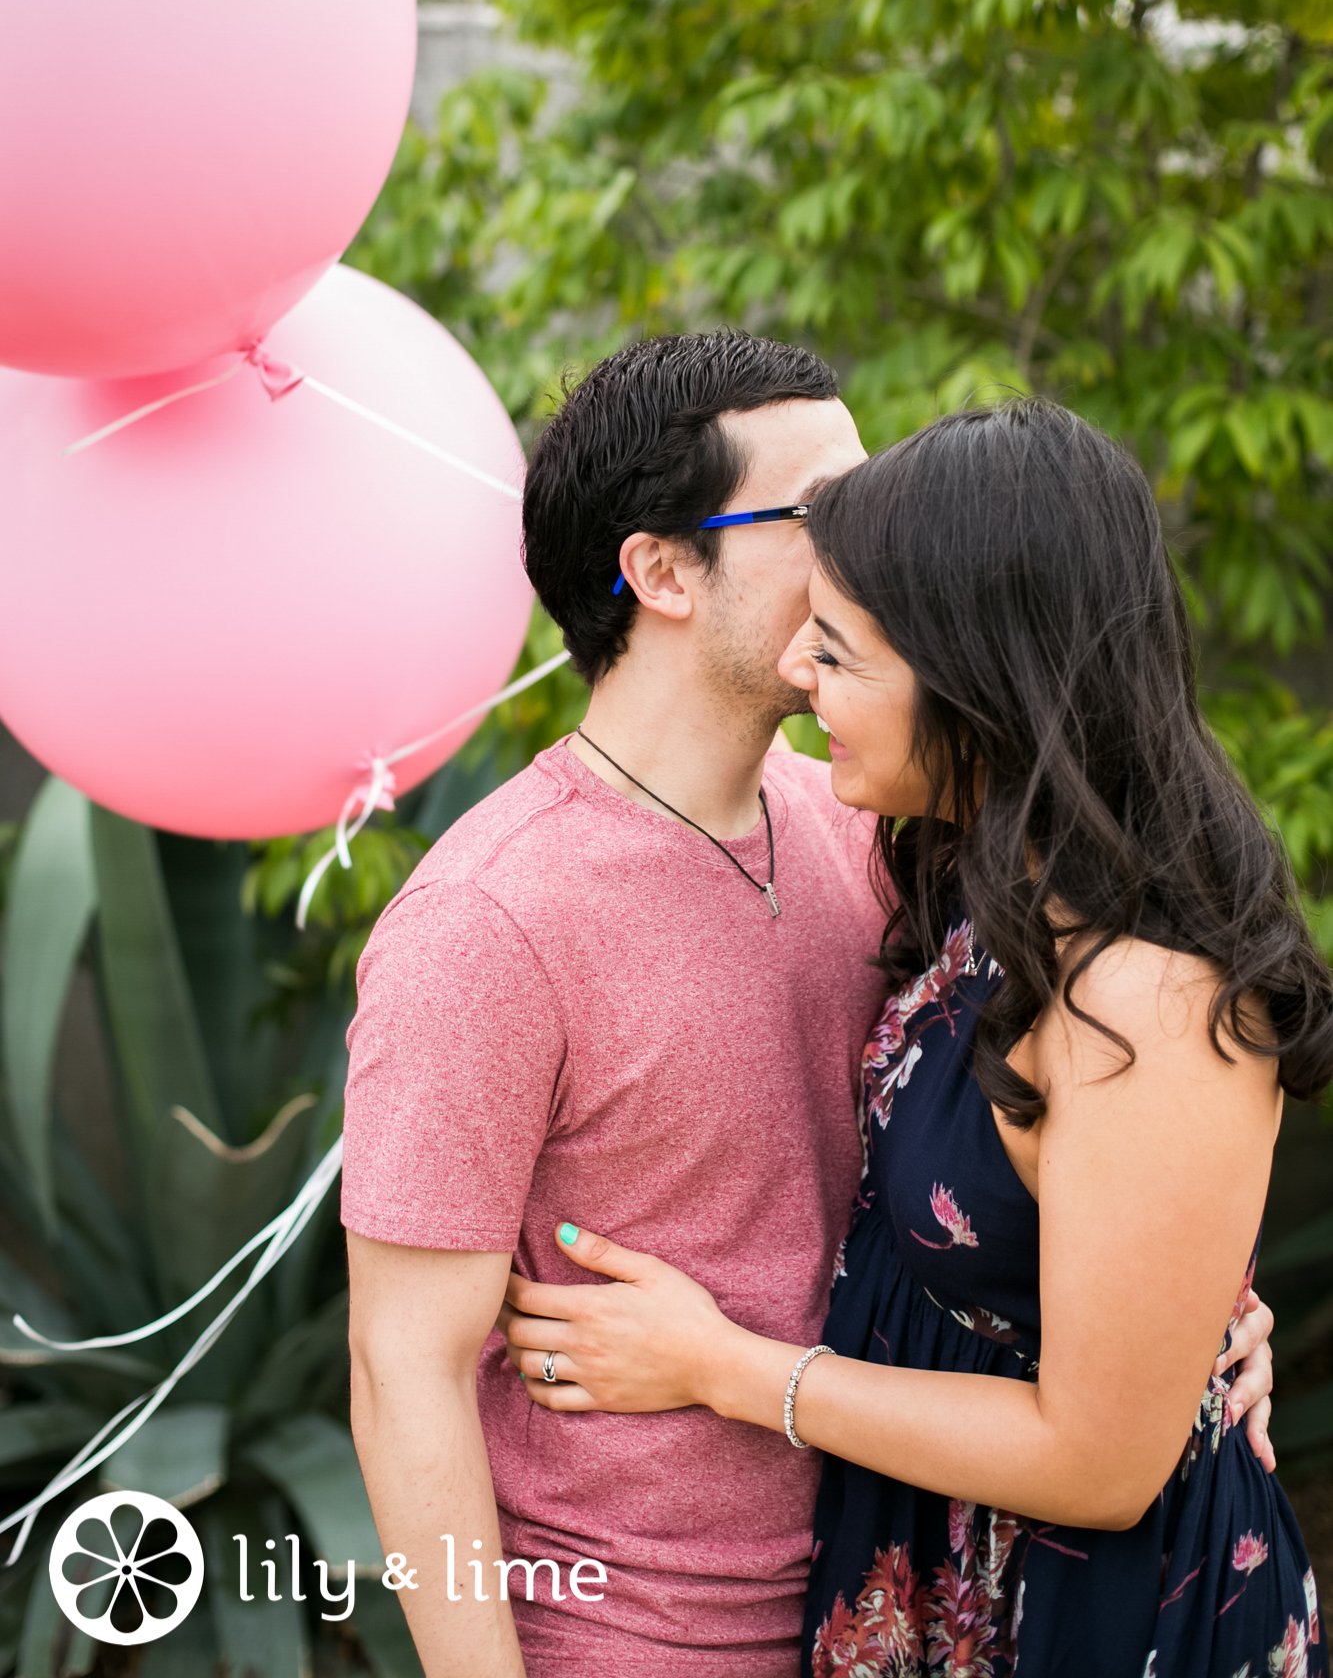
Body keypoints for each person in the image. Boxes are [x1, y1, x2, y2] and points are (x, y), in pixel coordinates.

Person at [340, 342, 1276, 1678]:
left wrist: (1198, 1319)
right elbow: (400, 1370)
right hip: (638, 1630)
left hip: (906, 1597)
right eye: (819, 510)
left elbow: (1078, 1145)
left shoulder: (883, 827)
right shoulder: (488, 920)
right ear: (663, 572)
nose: (873, 539)